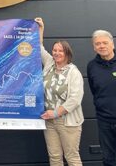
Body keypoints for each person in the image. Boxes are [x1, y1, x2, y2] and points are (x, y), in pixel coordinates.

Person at [35, 18, 84, 166]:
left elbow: (75, 99)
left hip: (67, 122)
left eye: (60, 51)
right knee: (55, 158)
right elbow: (38, 47)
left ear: (67, 53)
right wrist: (41, 28)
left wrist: (56, 113)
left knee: (72, 157)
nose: (56, 53)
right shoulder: (50, 63)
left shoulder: (73, 72)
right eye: (54, 50)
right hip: (49, 121)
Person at [87, 29, 116, 166]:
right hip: (104, 121)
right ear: (94, 47)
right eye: (98, 44)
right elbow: (95, 90)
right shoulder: (92, 66)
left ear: (112, 44)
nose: (102, 46)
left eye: (105, 42)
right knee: (108, 159)